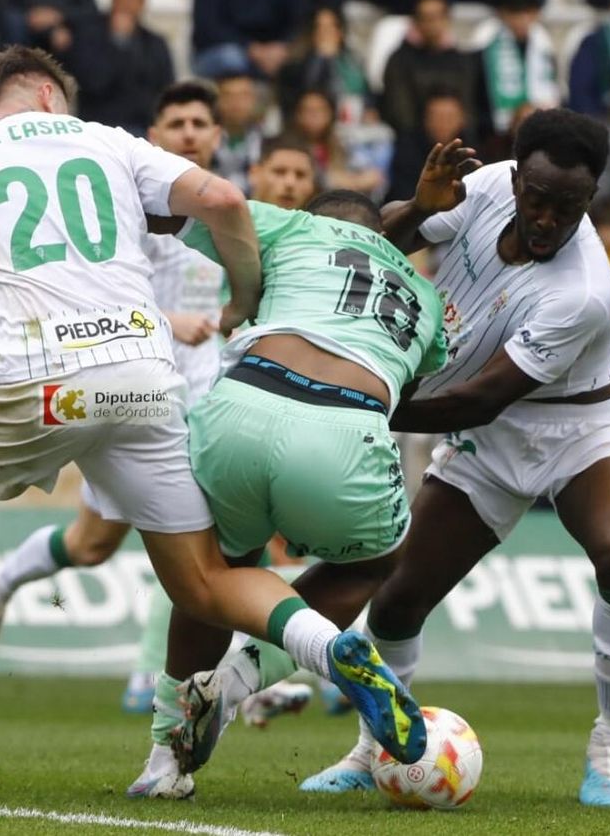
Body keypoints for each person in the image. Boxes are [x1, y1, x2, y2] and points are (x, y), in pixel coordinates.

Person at [0, 46, 424, 796]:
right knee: (203, 581)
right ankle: (331, 652)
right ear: (48, 93)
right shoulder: (107, 138)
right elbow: (227, 203)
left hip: (32, 374)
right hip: (142, 374)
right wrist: (243, 301)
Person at [207, 109, 610, 808]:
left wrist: (358, 400)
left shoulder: (586, 294)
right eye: (535, 198)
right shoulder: (487, 184)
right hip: (488, 443)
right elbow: (370, 249)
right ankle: (370, 749)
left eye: (567, 208)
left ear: (590, 198)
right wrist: (419, 205)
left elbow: (477, 400)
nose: (545, 218)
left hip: (581, 428)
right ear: (516, 176)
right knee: (398, 596)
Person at [0, 85, 319, 712]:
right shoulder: (121, 195)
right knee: (93, 545)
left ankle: (196, 685)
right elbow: (82, 284)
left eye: (200, 123)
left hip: (211, 397)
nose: (188, 132)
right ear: (155, 131)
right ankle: (2, 580)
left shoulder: (233, 210)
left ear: (218, 136)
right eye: (176, 121)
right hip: (133, 383)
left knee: (213, 541)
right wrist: (164, 318)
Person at [136, 172, 463, 798]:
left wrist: (244, 288)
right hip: (346, 431)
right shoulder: (425, 296)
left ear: (316, 215)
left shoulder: (293, 226)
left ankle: (163, 762)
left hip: (242, 405)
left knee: (210, 578)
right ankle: (247, 680)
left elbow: (177, 206)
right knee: (375, 564)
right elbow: (406, 393)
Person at [65, 0, 175, 136]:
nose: (128, 4)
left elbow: (166, 91)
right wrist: (119, 41)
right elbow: (92, 82)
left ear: (143, 2)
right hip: (98, 128)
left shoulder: (155, 43)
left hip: (142, 130)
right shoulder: (88, 36)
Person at [381, 0, 482, 141]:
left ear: (447, 19)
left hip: (460, 138)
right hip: (413, 140)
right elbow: (400, 111)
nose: (432, 24)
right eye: (425, 18)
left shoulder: (462, 60)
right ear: (415, 21)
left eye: (437, 17)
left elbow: (469, 106)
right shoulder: (399, 60)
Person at [478, 0, 559, 145]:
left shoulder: (546, 47)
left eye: (528, 12)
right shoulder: (485, 46)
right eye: (515, 13)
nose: (522, 19)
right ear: (503, 14)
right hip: (495, 137)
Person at [276, 8, 374, 128]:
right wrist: (323, 60)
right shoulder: (297, 65)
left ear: (340, 31)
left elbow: (367, 93)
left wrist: (369, 109)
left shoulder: (354, 62)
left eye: (330, 27)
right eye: (320, 28)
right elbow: (306, 91)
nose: (325, 33)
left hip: (354, 123)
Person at [286, 89, 383, 195]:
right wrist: (336, 181)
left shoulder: (342, 142)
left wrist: (350, 182)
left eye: (320, 110)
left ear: (330, 114)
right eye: (308, 110)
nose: (314, 115)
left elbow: (373, 176)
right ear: (298, 115)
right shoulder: (288, 147)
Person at [387, 90, 468, 203]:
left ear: (462, 119)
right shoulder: (407, 151)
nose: (443, 124)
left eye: (449, 117)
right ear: (425, 119)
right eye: (437, 117)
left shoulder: (472, 152)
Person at [212, 73, 267, 193]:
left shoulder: (268, 139)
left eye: (243, 96)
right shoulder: (206, 138)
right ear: (218, 101)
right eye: (228, 96)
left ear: (254, 100)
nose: (236, 102)